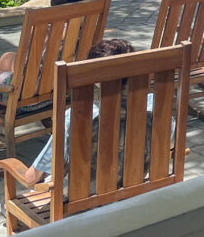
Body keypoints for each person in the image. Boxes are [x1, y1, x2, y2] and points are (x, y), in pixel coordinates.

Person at [21, 39, 137, 186]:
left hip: (81, 201)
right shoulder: (151, 109)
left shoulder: (78, 117)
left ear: (94, 77)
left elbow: (32, 178)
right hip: (133, 194)